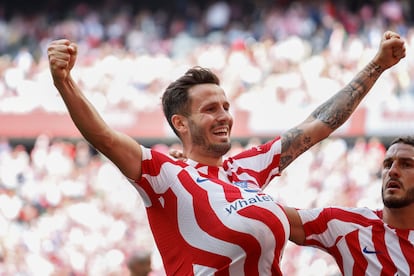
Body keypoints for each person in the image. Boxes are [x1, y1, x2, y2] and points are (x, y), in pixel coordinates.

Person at [47, 30, 405, 275]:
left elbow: (317, 126)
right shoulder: (166, 175)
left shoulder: (248, 168)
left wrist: (377, 66)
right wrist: (64, 81)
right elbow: (104, 137)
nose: (224, 117)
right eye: (210, 109)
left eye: (225, 106)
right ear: (181, 124)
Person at [285, 136, 414, 276]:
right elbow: (276, 216)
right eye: (387, 164)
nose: (392, 171)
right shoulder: (348, 225)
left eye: (406, 164)